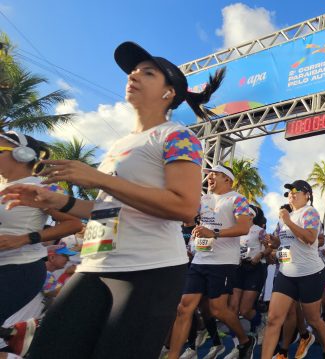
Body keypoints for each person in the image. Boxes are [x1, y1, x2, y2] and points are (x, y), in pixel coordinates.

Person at [0, 41, 221, 358]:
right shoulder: (119, 145)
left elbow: (185, 208)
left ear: (168, 93)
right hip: (94, 265)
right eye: (134, 70)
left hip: (148, 270)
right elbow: (108, 209)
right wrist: (54, 201)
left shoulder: (177, 135)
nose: (134, 75)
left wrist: (99, 178)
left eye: (148, 72)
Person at [167, 164, 256, 359]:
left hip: (223, 262)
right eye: (209, 175)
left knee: (218, 309)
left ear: (227, 179)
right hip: (200, 259)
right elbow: (189, 218)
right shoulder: (203, 199)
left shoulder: (237, 199)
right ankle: (173, 355)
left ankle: (245, 340)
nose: (209, 178)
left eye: (215, 174)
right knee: (184, 308)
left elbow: (243, 228)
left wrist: (213, 233)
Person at [0, 132, 82, 327]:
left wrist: (25, 238)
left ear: (22, 154)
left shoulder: (41, 187)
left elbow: (74, 223)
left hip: (19, 268)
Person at [262, 180, 325, 359]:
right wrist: (273, 242)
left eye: (296, 191)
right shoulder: (286, 218)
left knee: (313, 319)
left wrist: (287, 220)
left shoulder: (310, 212)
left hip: (310, 274)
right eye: (289, 192)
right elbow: (283, 242)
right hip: (286, 274)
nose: (291, 194)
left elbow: (310, 238)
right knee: (273, 320)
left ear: (307, 195)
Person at [229, 205, 271, 334]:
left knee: (245, 310)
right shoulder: (236, 230)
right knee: (233, 309)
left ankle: (260, 322)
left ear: (251, 216)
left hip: (255, 268)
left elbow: (269, 248)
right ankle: (238, 340)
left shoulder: (259, 231)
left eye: (243, 213)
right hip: (239, 268)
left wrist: (260, 255)